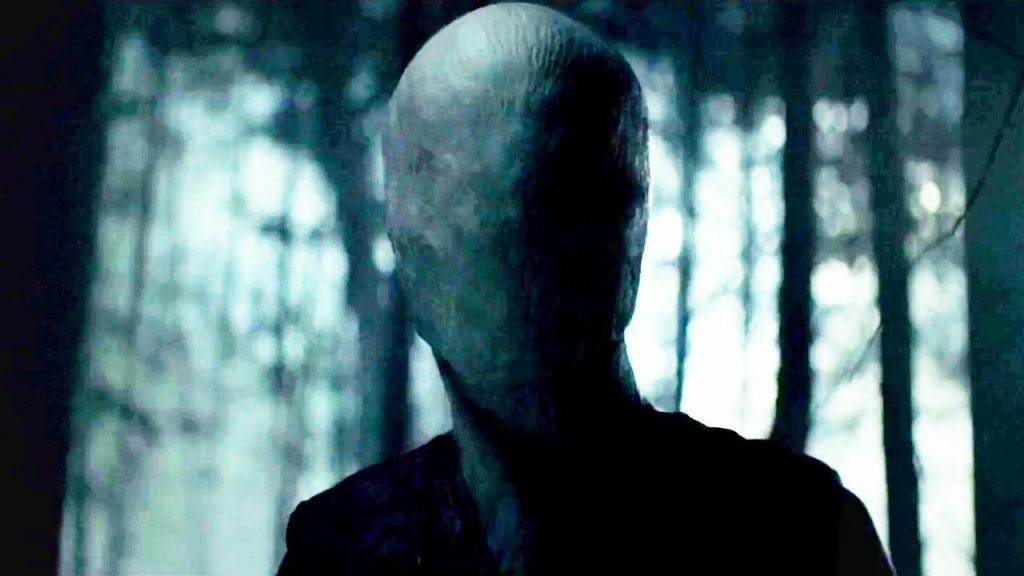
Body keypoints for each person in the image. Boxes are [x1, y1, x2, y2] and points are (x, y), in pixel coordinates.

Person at [276, 3, 895, 574]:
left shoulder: (802, 527)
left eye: (580, 202)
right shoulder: (338, 549)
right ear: (408, 242)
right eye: (497, 217)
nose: (547, 263)